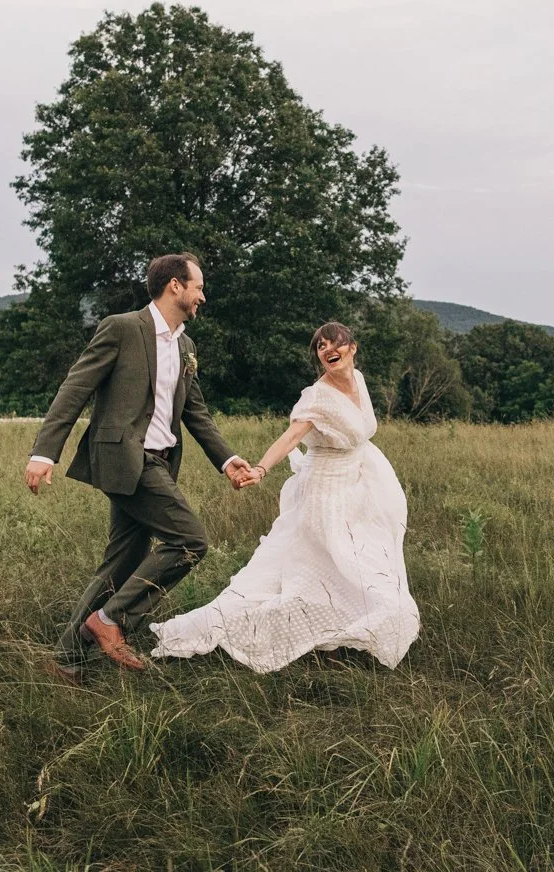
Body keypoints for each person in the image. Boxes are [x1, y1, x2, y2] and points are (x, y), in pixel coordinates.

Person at [25, 253, 254, 682]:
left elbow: (196, 414)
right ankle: (111, 620)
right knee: (190, 541)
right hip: (126, 457)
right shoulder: (123, 328)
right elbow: (75, 388)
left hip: (161, 463)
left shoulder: (186, 346)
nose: (203, 295)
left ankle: (65, 660)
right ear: (175, 286)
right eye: (198, 286)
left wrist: (226, 459)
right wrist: (44, 452)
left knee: (122, 562)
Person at [149, 322, 419, 672]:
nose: (326, 349)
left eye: (333, 343)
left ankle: (340, 636)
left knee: (358, 564)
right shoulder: (318, 396)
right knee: (311, 570)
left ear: (351, 347)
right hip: (326, 494)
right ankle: (226, 627)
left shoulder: (360, 380)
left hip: (360, 489)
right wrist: (260, 469)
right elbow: (291, 437)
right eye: (320, 346)